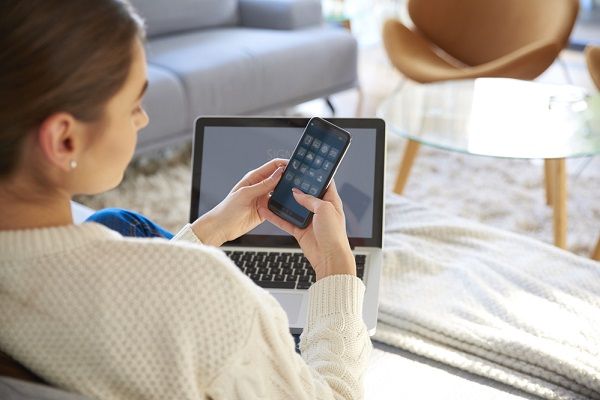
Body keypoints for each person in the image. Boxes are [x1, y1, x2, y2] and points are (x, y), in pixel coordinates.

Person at [0, 1, 372, 399]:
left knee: (119, 222)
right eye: (133, 105)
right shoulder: (207, 292)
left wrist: (211, 229)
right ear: (64, 140)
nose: (142, 120)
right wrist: (336, 269)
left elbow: (136, 311)